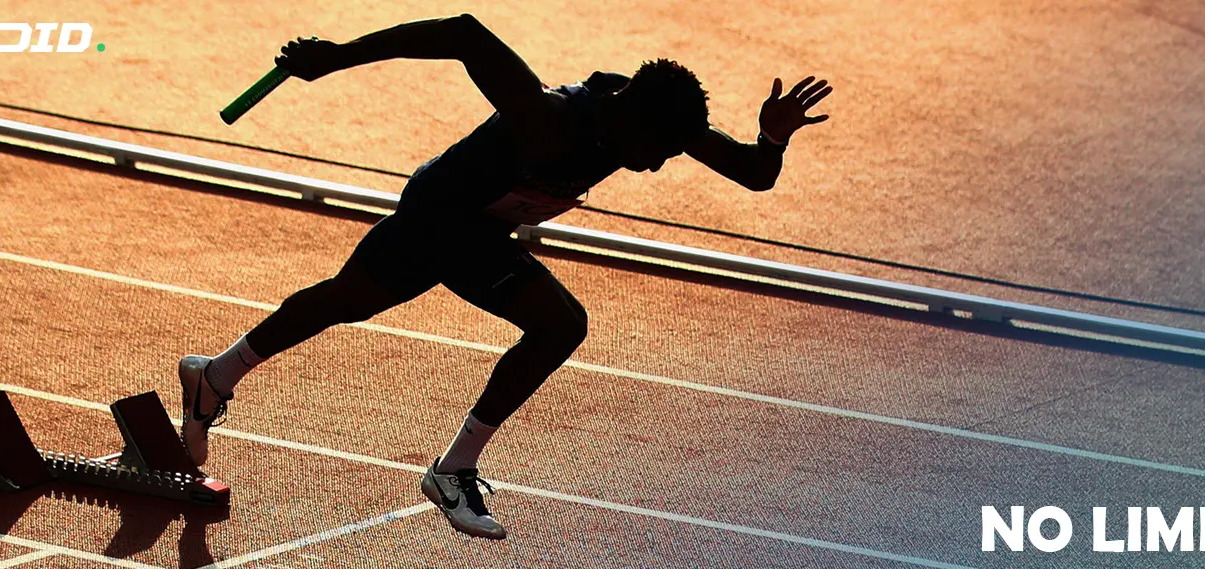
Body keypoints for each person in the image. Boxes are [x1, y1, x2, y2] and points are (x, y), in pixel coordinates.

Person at [177, 14, 833, 540]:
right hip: (441, 214)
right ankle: (445, 466)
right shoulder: (546, 118)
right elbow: (462, 32)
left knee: (366, 302)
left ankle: (216, 376)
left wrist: (772, 138)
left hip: (482, 232)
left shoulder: (657, 118)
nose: (661, 165)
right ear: (631, 118)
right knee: (369, 303)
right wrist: (333, 56)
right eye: (658, 151)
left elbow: (752, 173)